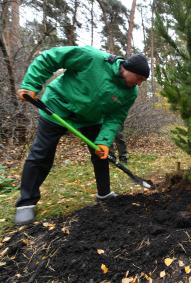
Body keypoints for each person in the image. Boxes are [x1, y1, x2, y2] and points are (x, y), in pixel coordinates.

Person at [14, 46, 150, 225]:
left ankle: (104, 194)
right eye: (139, 78)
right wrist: (31, 84)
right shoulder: (92, 58)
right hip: (57, 107)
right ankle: (26, 203)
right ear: (128, 69)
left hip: (90, 119)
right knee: (42, 153)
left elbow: (115, 117)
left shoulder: (130, 92)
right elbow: (49, 58)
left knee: (101, 155)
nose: (139, 83)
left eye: (142, 81)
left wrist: (103, 141)